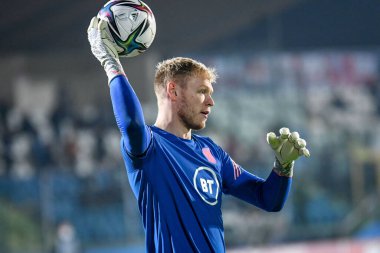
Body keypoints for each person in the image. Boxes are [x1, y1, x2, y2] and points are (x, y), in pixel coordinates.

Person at [87, 17, 310, 253]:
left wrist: (283, 167)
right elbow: (131, 123)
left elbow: (269, 200)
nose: (211, 102)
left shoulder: (212, 152)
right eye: (202, 92)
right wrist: (110, 62)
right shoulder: (149, 146)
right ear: (173, 90)